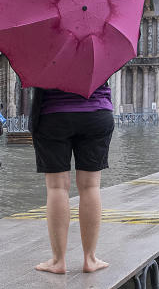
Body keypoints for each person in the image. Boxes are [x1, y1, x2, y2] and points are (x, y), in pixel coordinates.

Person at [29, 82, 114, 274]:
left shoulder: (47, 50)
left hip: (54, 115)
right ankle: (90, 259)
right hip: (96, 113)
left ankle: (58, 261)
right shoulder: (99, 50)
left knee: (56, 188)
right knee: (91, 186)